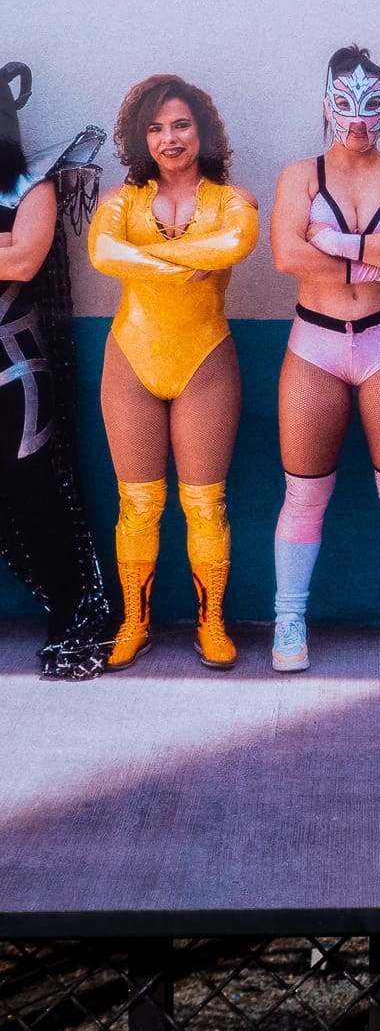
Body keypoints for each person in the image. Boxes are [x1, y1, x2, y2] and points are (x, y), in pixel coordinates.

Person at [269, 47, 380, 673]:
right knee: (303, 494)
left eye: (372, 105)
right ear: (327, 105)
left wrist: (336, 242)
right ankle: (288, 618)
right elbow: (286, 255)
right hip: (314, 342)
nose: (359, 119)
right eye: (346, 104)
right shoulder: (299, 175)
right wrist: (376, 256)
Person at [88, 74, 260, 670]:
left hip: (205, 360)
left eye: (181, 124)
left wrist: (143, 258)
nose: (170, 138)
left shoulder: (231, 201)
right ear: (141, 139)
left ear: (202, 130)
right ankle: (134, 623)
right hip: (131, 359)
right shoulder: (122, 202)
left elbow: (235, 244)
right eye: (156, 128)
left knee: (205, 504)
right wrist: (186, 258)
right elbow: (102, 253)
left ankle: (211, 623)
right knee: (137, 504)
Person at [0, 62, 114, 679]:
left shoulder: (31, 185)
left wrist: (10, 247)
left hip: (14, 373)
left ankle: (72, 616)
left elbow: (24, 259)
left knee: (35, 498)